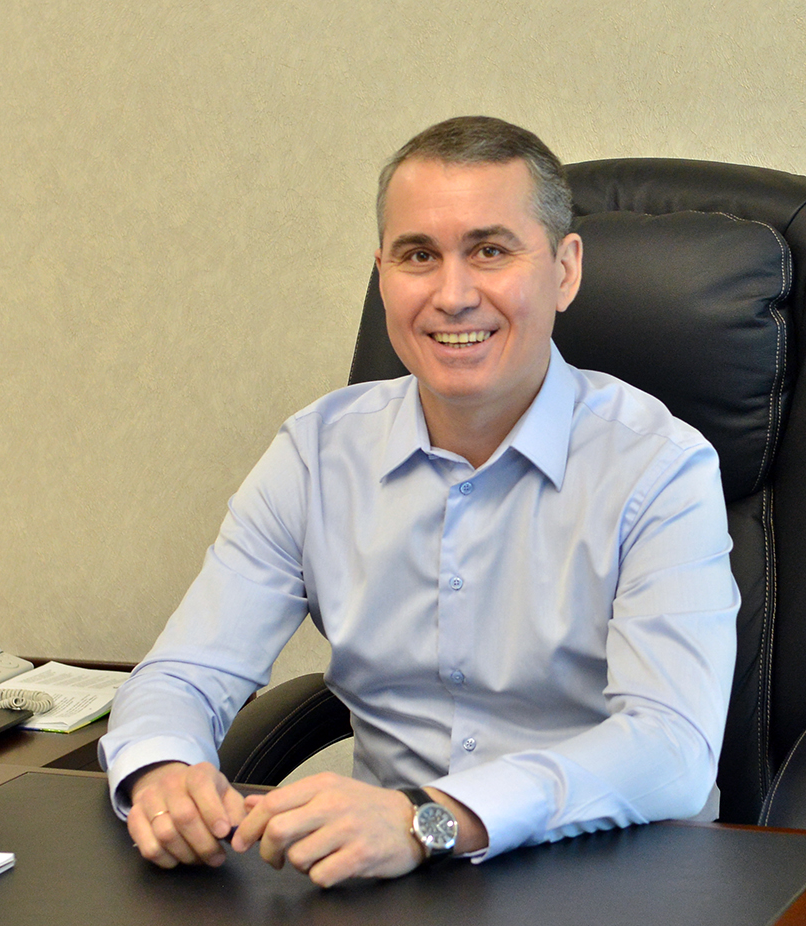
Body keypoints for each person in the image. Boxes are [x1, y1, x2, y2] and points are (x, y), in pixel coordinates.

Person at [99, 116, 739, 888]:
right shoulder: (316, 454)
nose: (453, 295)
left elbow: (671, 748)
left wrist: (429, 819)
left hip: (613, 876)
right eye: (418, 256)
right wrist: (163, 773)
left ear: (565, 270)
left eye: (490, 250)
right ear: (383, 275)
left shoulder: (658, 468)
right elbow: (182, 674)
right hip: (387, 885)